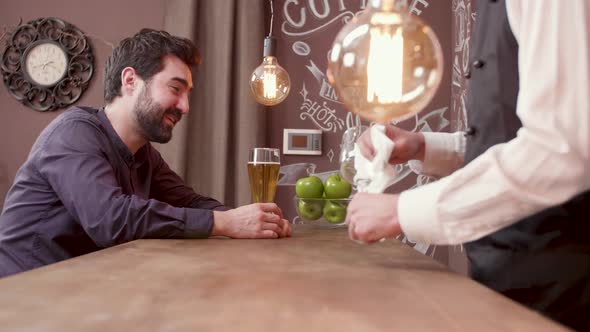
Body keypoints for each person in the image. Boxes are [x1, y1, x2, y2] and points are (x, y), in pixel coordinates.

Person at [346, 0, 590, 330]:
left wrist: (401, 212)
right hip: (510, 276)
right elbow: (517, 138)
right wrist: (424, 146)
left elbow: (561, 151)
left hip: (566, 282)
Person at [0, 29, 291, 278]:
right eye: (175, 88)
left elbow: (190, 201)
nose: (185, 106)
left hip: (82, 290)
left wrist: (256, 221)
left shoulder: (142, 153)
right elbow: (110, 220)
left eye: (187, 94)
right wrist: (226, 223)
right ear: (130, 81)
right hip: (24, 296)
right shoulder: (73, 133)